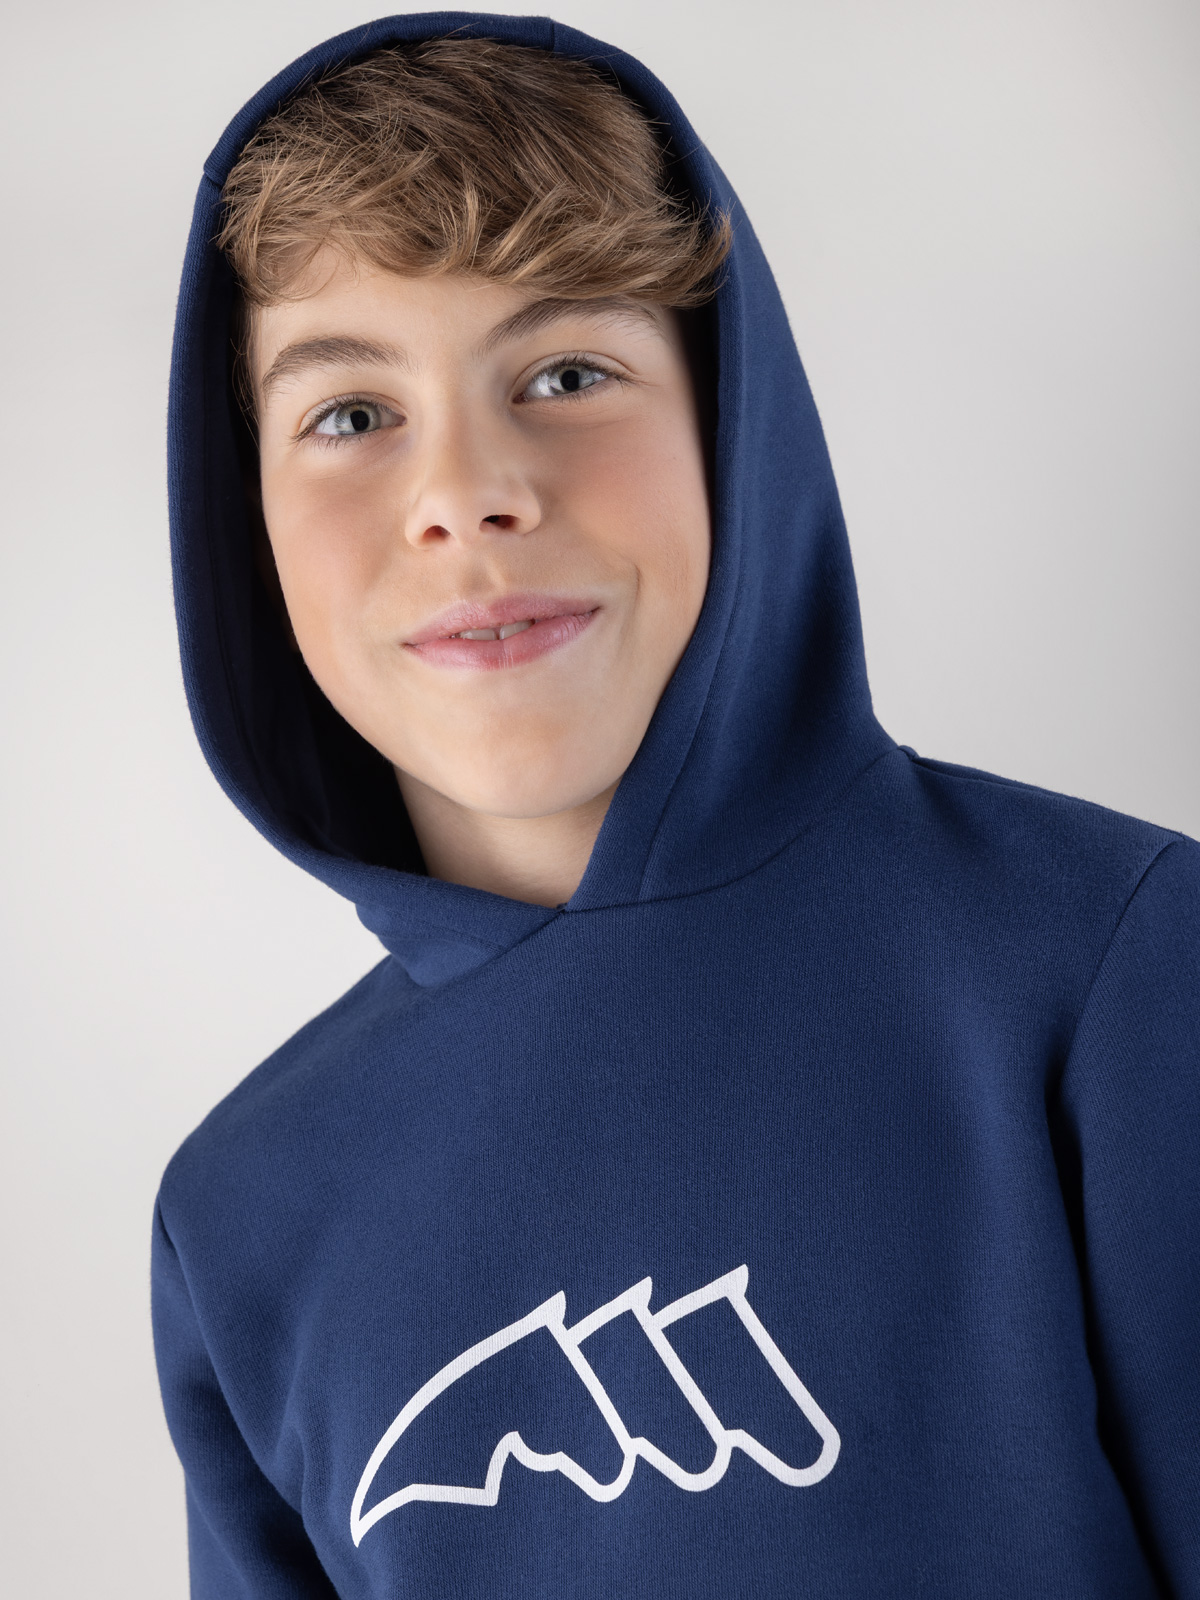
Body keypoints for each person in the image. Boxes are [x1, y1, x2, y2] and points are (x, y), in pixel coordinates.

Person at [152, 14, 1200, 1600]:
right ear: (243, 521)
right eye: (351, 415)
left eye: (568, 373)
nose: (467, 495)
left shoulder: (1104, 967)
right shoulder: (245, 1214)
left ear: (732, 420)